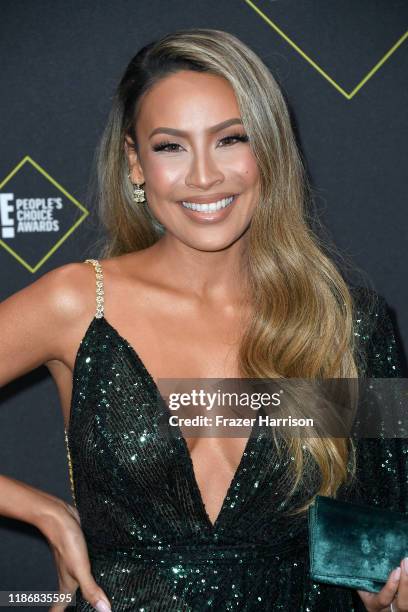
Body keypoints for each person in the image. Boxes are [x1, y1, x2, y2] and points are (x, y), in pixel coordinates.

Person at [0, 28, 406, 612]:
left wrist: (385, 584)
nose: (204, 176)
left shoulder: (344, 320)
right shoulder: (78, 303)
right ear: (136, 165)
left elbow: (371, 555)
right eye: (171, 147)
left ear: (267, 150)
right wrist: (43, 512)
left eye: (229, 139)